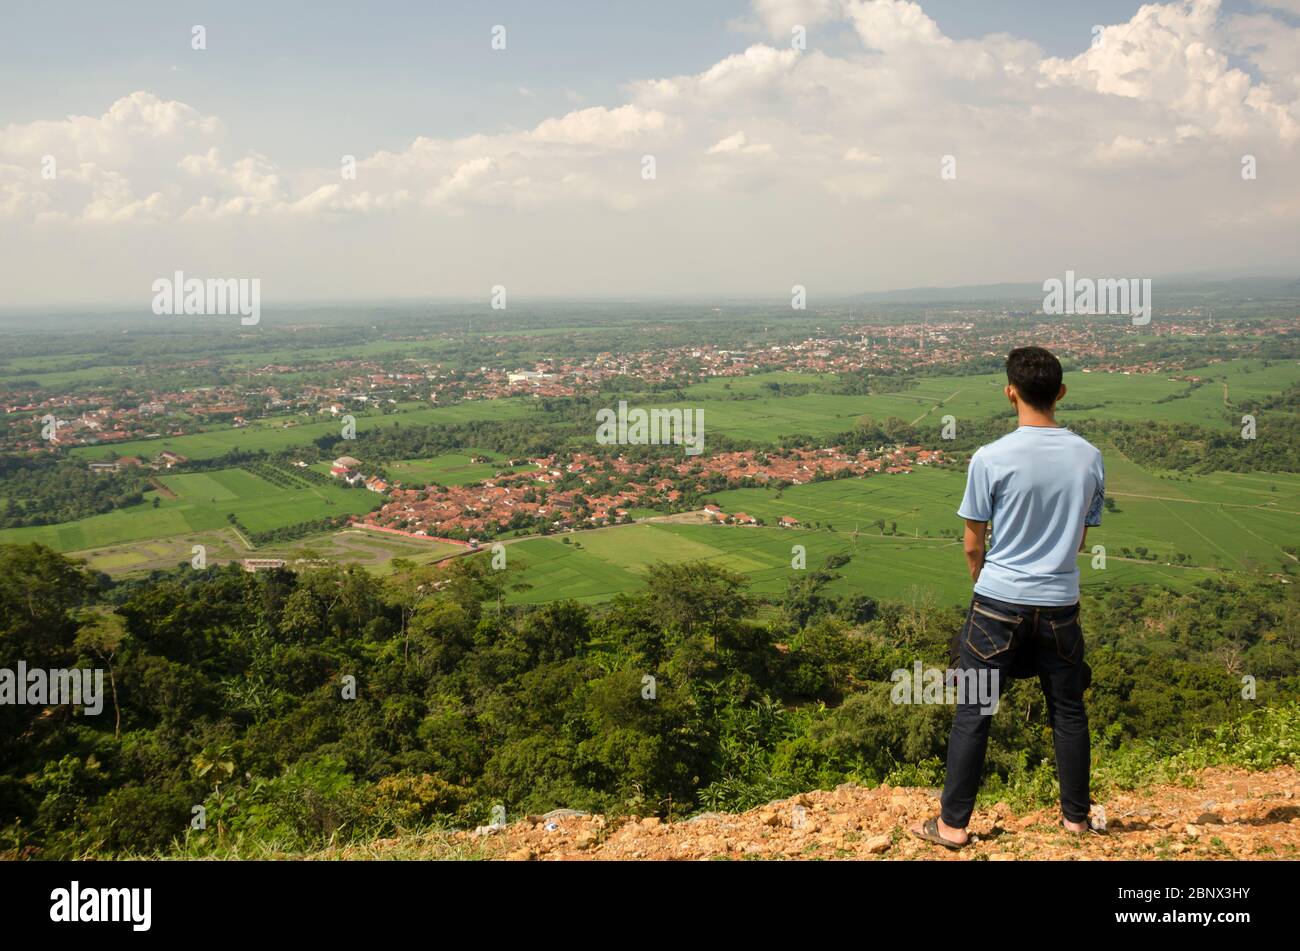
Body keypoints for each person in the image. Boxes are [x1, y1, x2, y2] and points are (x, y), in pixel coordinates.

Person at [912, 346, 1105, 850]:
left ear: (1010, 392)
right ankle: (1076, 821)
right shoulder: (1090, 457)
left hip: (997, 599)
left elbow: (973, 541)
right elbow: (1081, 539)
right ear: (1060, 393)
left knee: (974, 711)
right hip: (1061, 603)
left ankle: (952, 827)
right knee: (1067, 710)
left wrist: (982, 582)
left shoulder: (990, 457)